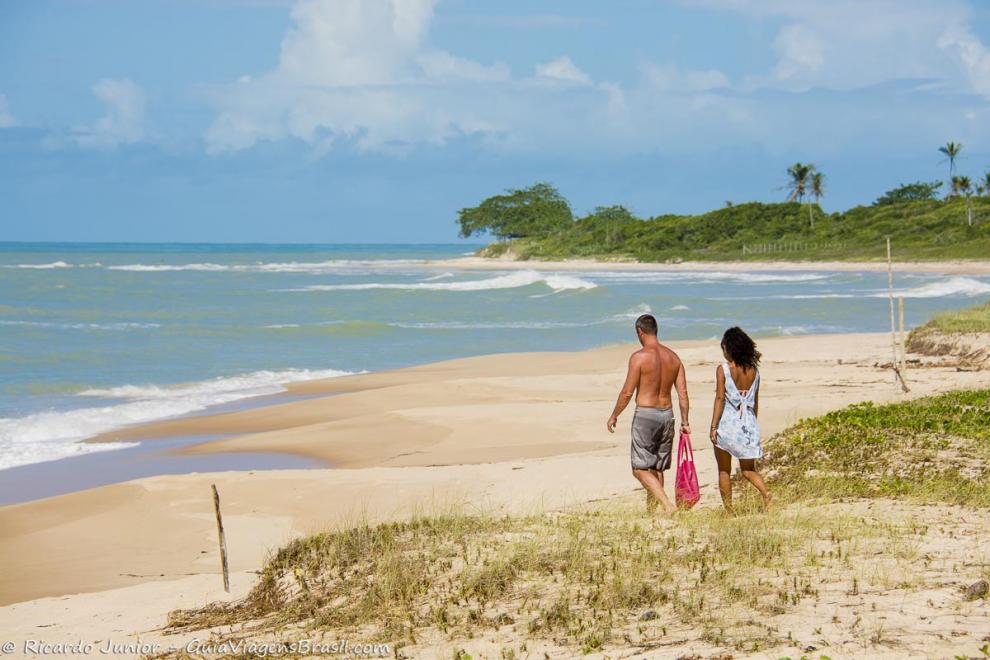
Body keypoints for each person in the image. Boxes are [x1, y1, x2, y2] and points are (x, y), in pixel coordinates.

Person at [607, 314, 690, 515]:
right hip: (667, 414)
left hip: (646, 415)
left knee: (639, 469)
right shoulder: (674, 357)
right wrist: (685, 421)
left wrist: (614, 415)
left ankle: (668, 506)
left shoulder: (639, 357)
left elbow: (627, 392)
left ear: (640, 332)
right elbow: (683, 394)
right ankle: (653, 514)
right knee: (656, 468)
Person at [708, 326, 772, 512]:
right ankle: (766, 493)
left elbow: (720, 398)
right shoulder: (754, 371)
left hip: (727, 425)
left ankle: (729, 511)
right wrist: (752, 425)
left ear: (729, 348)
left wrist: (713, 426)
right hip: (748, 424)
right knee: (748, 470)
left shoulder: (724, 370)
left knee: (724, 470)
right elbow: (755, 401)